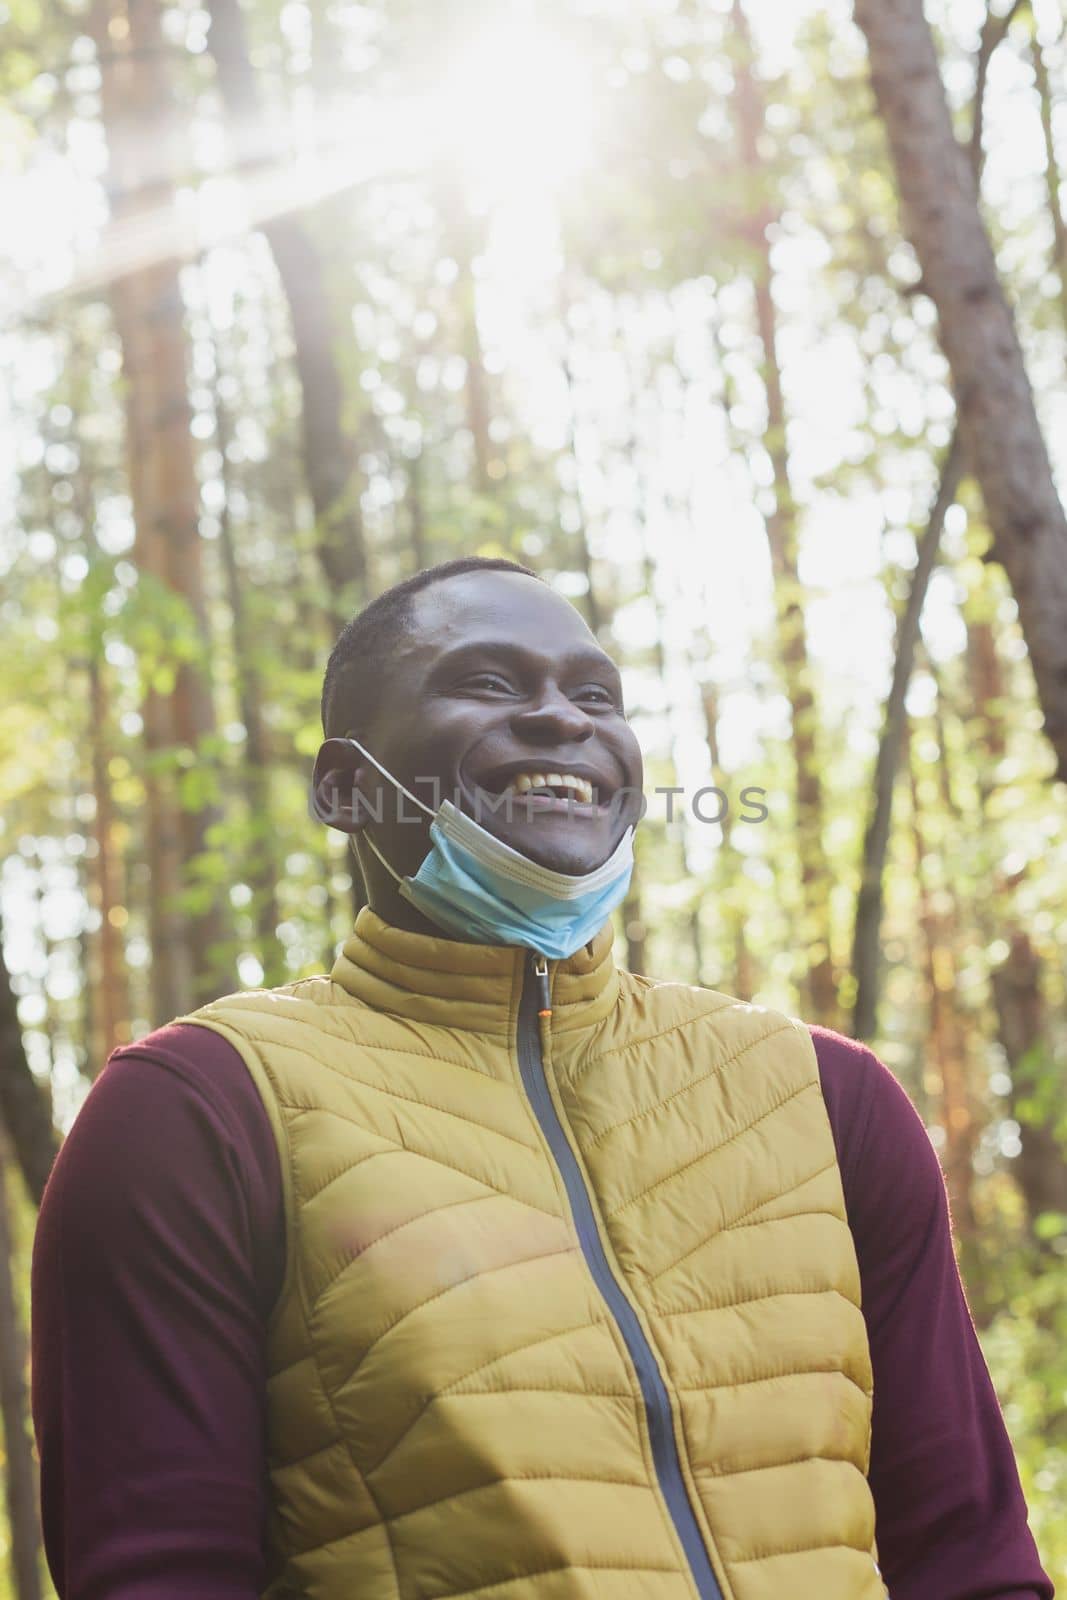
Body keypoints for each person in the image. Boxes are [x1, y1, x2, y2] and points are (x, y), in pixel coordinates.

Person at [31, 556, 1051, 1600]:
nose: (563, 719)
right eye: (488, 683)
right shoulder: (199, 1114)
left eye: (594, 693)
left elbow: (966, 1553)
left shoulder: (825, 1098)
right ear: (345, 786)